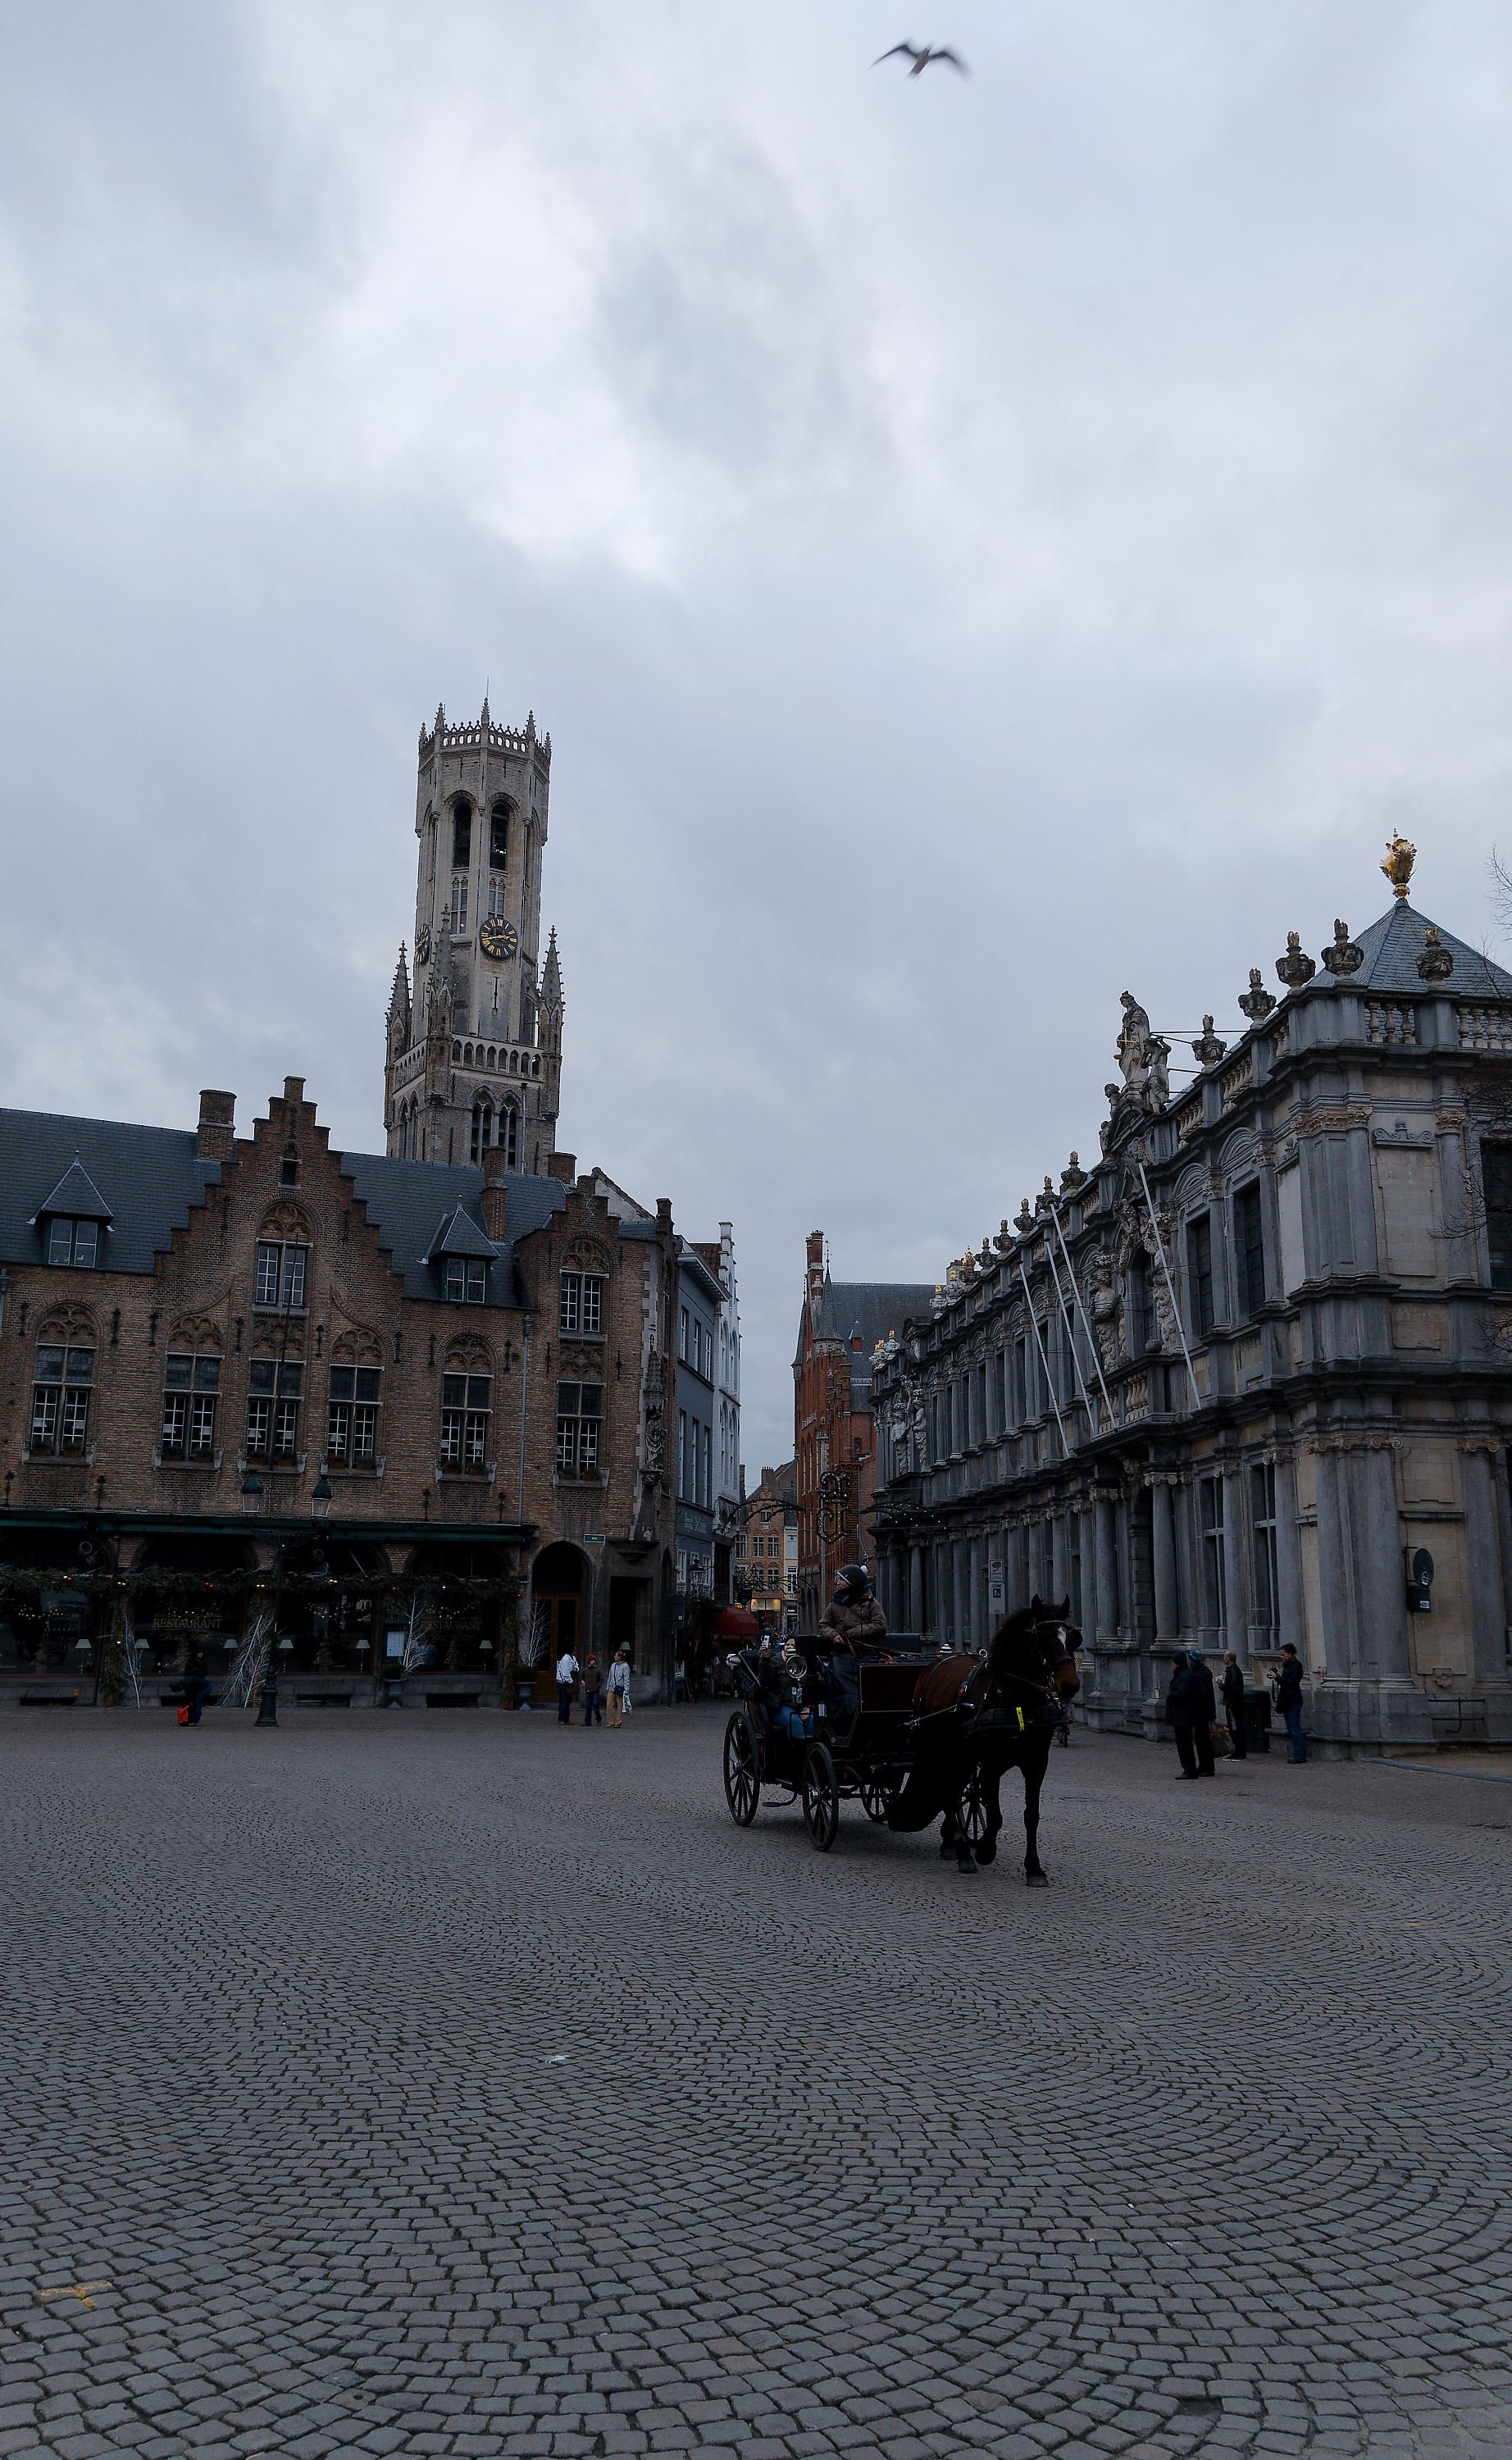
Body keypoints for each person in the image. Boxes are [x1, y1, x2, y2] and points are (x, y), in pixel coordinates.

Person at [1165, 1647, 1217, 1778]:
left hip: (1198, 1712)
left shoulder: (1194, 1674)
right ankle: (1202, 1767)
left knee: (1200, 1741)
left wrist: (1171, 1694)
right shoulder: (1194, 1673)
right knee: (1199, 1741)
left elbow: (1197, 1695)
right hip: (1197, 1712)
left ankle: (1202, 1768)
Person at [818, 1565, 888, 1654]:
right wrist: (834, 1635)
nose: (838, 1583)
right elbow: (823, 1626)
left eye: (842, 1580)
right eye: (838, 1579)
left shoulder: (871, 1603)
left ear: (852, 1582)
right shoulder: (835, 1603)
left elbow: (880, 1625)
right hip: (841, 1651)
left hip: (867, 1650)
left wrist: (852, 1633)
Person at [1275, 1642, 1307, 1762]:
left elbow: (1292, 1683)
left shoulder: (1296, 1665)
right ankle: (1297, 1753)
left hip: (1293, 1700)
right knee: (1290, 1728)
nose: (1282, 1657)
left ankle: (1300, 1755)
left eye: (1283, 1654)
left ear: (1290, 1653)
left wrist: (1278, 1678)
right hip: (1286, 1700)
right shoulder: (1287, 1665)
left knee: (1295, 1728)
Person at [1220, 1651, 1247, 1761]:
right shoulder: (1232, 1671)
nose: (1223, 1659)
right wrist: (1222, 1686)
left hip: (1234, 1705)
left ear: (1228, 1659)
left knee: (1235, 1728)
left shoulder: (1234, 1671)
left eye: (1225, 1657)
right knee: (1233, 1728)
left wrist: (1231, 1703)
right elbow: (1229, 1688)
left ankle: (1239, 1752)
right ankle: (1237, 1751)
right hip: (1232, 1703)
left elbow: (1235, 1690)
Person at [606, 1646, 632, 1729]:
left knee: (620, 1705)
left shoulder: (625, 1666)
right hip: (612, 1687)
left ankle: (618, 1722)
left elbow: (626, 1679)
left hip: (620, 1688)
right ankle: (611, 1721)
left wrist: (626, 1690)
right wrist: (608, 1686)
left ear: (619, 1657)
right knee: (609, 1704)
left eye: (616, 1656)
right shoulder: (613, 1665)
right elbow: (610, 1676)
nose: (614, 1657)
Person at [555, 1644, 580, 1726]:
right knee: (563, 1700)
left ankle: (567, 1719)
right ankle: (561, 1719)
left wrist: (576, 1669)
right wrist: (571, 1682)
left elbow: (576, 1665)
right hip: (563, 1682)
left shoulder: (573, 1658)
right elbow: (565, 1674)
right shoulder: (565, 1659)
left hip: (568, 1682)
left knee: (568, 1701)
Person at [581, 1651, 603, 1727]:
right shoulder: (585, 1670)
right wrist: (582, 1682)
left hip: (595, 1690)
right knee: (588, 1706)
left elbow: (601, 1679)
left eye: (594, 1660)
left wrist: (598, 1686)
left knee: (595, 1704)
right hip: (588, 1690)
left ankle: (598, 1718)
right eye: (591, 1660)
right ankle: (587, 1721)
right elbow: (581, 1677)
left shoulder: (597, 1670)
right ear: (589, 1661)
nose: (593, 1662)